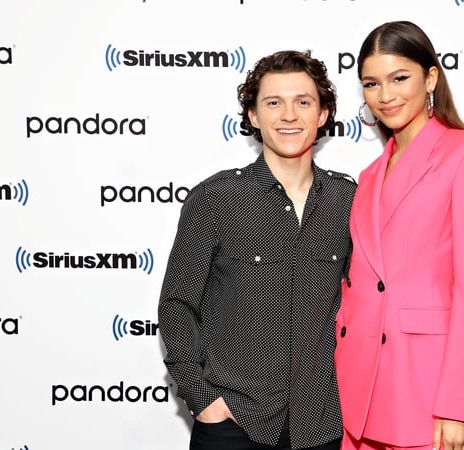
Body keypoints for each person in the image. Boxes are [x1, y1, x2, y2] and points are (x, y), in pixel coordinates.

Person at [158, 50, 356, 450]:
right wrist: (204, 401)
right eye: (273, 102)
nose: (288, 115)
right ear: (252, 115)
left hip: (323, 424)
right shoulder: (216, 198)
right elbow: (176, 305)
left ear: (323, 114)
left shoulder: (347, 199)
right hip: (234, 423)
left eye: (303, 102)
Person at [334, 21, 464, 450]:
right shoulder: (369, 176)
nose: (385, 95)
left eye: (399, 78)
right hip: (356, 390)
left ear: (430, 77)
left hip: (424, 391)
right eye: (371, 83)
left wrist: (458, 406)